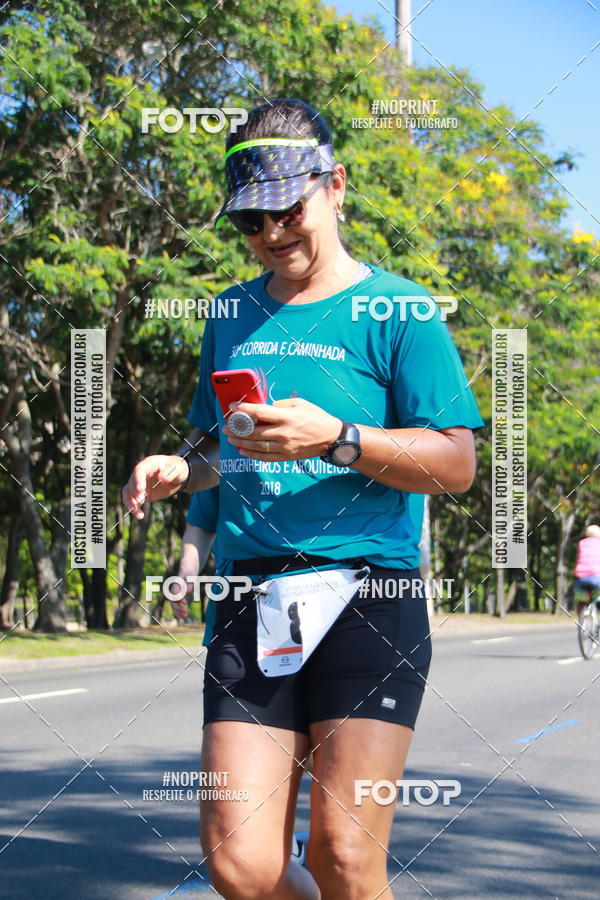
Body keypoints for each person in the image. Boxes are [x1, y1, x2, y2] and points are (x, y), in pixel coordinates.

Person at [123, 98, 484, 899]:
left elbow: (456, 464)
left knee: (345, 859)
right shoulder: (229, 313)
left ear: (336, 185)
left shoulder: (401, 310)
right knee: (239, 863)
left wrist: (338, 438)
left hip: (370, 593)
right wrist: (182, 469)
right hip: (251, 594)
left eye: (287, 209)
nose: (271, 234)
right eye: (250, 222)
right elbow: (219, 447)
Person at [572, 524, 600, 615]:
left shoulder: (581, 543)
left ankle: (581, 621)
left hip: (580, 578)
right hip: (597, 577)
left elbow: (578, 559)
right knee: (597, 598)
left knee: (581, 601)